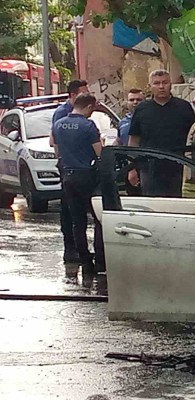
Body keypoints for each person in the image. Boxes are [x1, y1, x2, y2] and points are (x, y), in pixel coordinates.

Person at [51, 93, 105, 274]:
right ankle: (100, 259)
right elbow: (100, 154)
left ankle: (84, 258)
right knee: (98, 219)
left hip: (68, 176)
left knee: (77, 221)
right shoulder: (88, 125)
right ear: (89, 107)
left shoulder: (58, 125)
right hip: (88, 176)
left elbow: (56, 150)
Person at [127, 69, 195, 197]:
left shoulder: (184, 107)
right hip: (149, 169)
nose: (161, 87)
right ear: (150, 86)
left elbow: (193, 138)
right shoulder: (142, 109)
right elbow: (134, 141)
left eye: (165, 82)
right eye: (156, 83)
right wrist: (131, 168)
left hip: (179, 168)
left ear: (170, 84)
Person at [50, 79, 89, 264]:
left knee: (78, 209)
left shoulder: (83, 114)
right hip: (69, 167)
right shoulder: (62, 113)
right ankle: (70, 248)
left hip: (78, 166)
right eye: (82, 93)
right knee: (68, 209)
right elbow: (54, 141)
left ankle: (79, 248)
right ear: (73, 95)